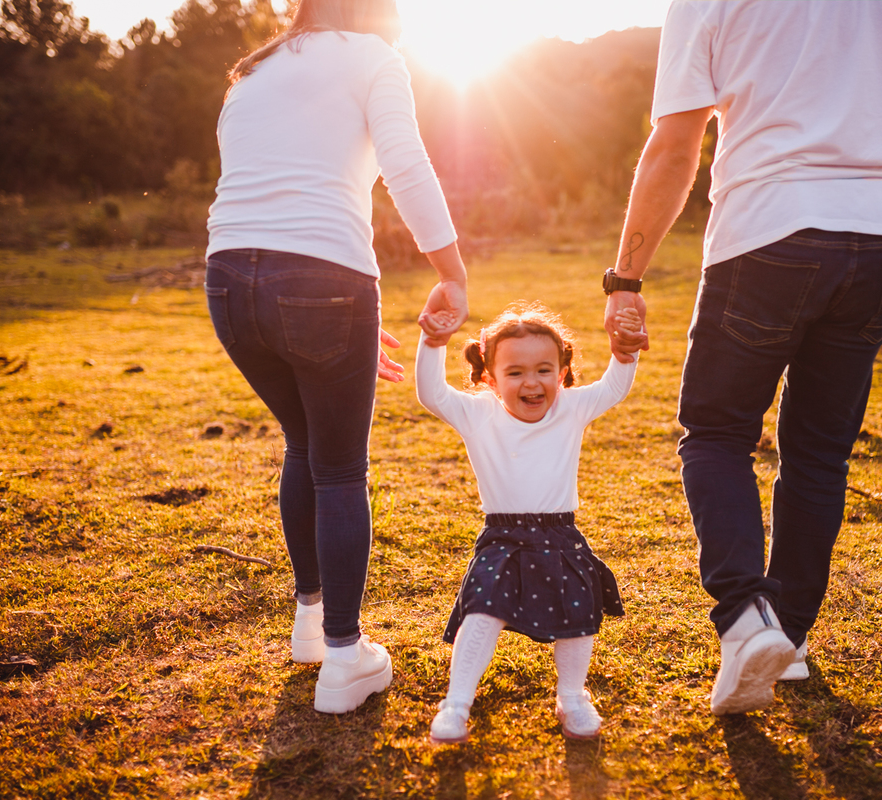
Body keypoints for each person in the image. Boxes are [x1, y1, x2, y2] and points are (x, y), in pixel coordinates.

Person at [604, 1, 882, 715]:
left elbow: (675, 146)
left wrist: (626, 278)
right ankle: (785, 640)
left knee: (718, 431)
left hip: (768, 229)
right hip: (881, 239)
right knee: (818, 453)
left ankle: (743, 621)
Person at [204, 0, 470, 715]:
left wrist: (324, 314)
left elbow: (270, 179)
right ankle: (347, 656)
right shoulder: (373, 58)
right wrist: (451, 270)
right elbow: (405, 163)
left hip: (229, 283)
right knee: (341, 467)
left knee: (305, 444)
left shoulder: (250, 72)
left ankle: (310, 625)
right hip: (324, 277)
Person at [415, 303, 641, 743]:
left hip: (560, 533)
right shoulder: (479, 413)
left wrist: (624, 351)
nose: (531, 382)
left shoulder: (572, 408)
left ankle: (572, 697)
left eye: (543, 369)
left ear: (562, 372)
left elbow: (615, 387)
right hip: (503, 536)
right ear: (489, 378)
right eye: (515, 372)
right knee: (480, 611)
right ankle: (456, 705)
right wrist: (433, 342)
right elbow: (432, 394)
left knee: (579, 615)